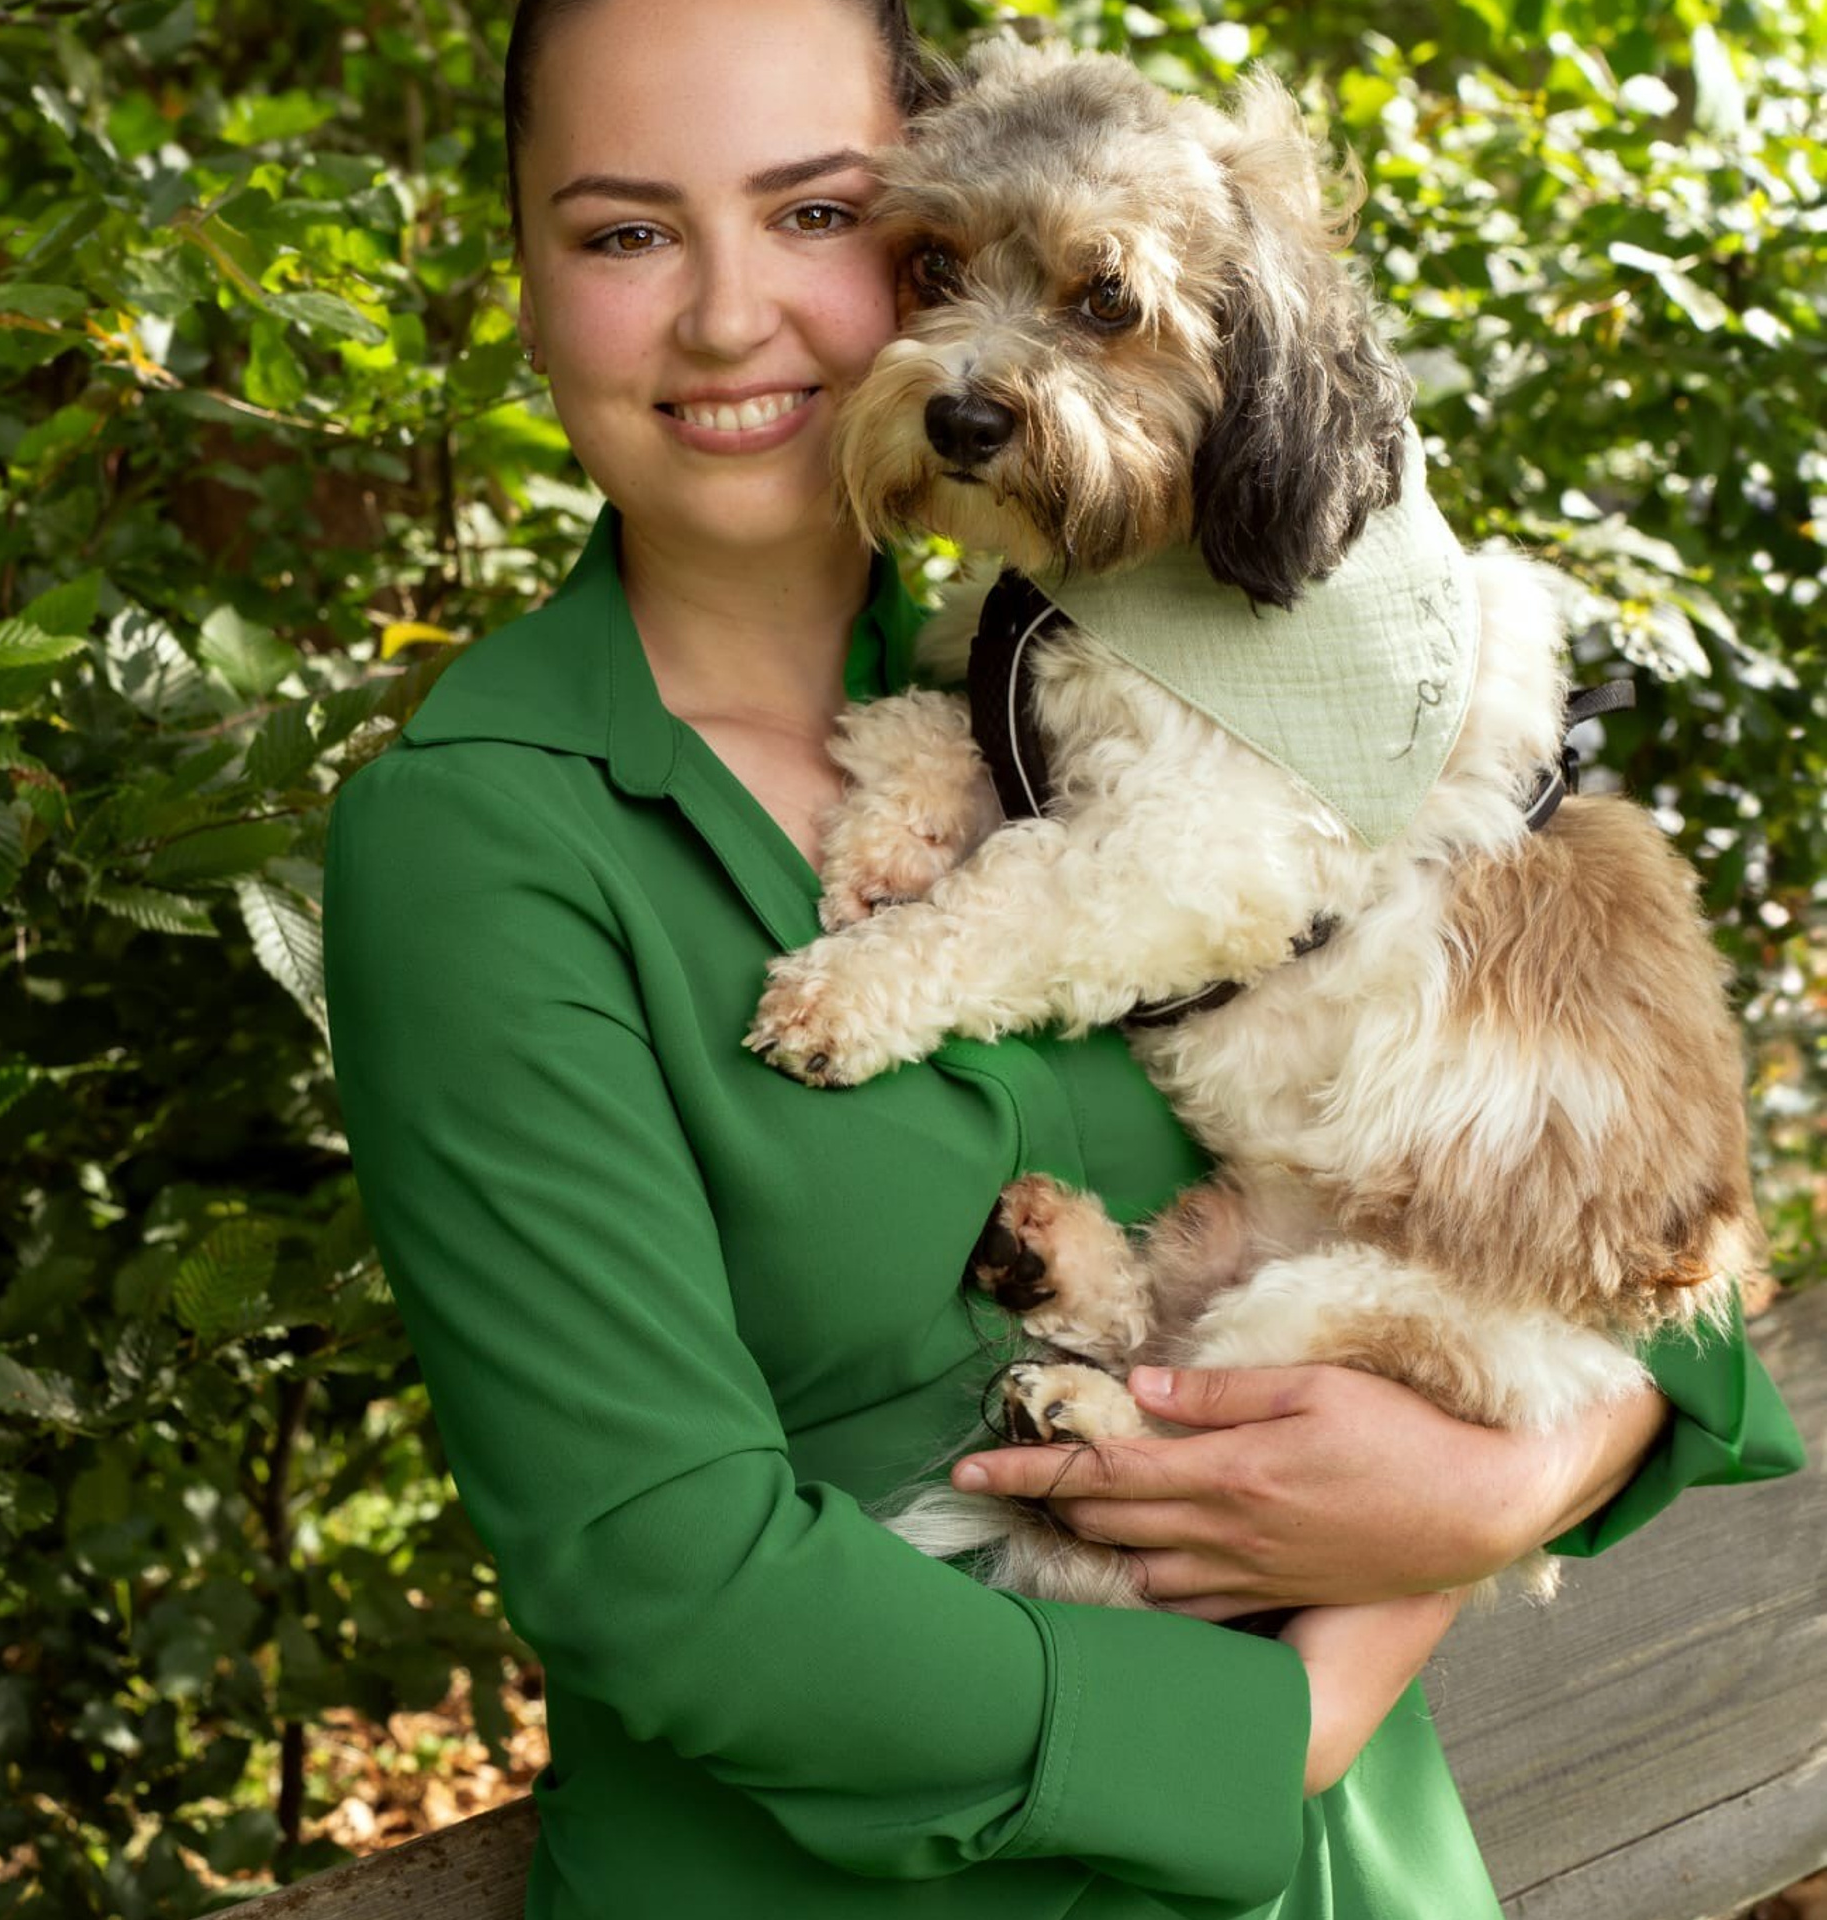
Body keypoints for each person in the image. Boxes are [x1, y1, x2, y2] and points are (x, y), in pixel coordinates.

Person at [321, 1, 1803, 1914]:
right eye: (624, 233)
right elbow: (665, 1584)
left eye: (818, 219)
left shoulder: (1165, 657)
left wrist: (1537, 1463)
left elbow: (1633, 1214)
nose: (721, 316)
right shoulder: (481, 836)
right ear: (520, 280)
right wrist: (1282, 1728)